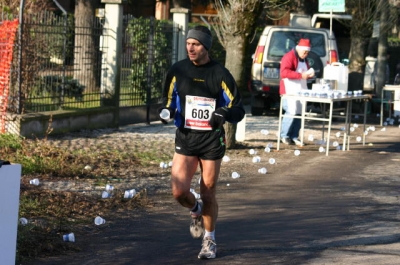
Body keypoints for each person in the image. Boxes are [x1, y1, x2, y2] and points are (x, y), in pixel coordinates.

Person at [158, 25, 245, 259]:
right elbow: (168, 101)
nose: (190, 47)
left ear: (206, 47)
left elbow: (238, 107)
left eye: (195, 44)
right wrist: (166, 112)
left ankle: (209, 240)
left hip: (211, 141)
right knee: (179, 192)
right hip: (186, 138)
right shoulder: (178, 70)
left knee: (208, 193)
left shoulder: (220, 73)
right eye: (188, 43)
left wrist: (223, 114)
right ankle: (195, 210)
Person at [279, 38, 314, 146]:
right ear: (299, 49)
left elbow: (303, 73)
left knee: (299, 113)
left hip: (301, 90)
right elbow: (284, 72)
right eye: (305, 52)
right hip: (289, 90)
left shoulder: (305, 60)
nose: (306, 54)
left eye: (307, 52)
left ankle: (294, 136)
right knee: (291, 112)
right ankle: (284, 136)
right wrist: (300, 76)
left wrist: (308, 76)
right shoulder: (289, 57)